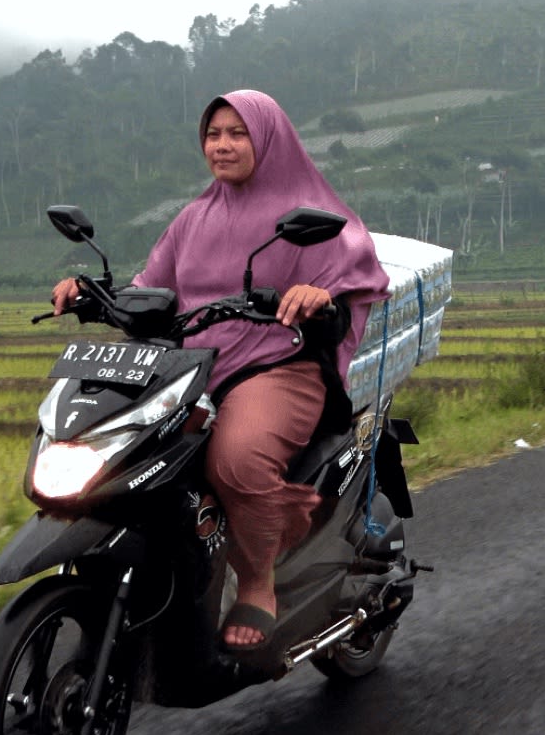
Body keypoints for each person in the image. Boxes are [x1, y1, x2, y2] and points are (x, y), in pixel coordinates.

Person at [51, 90, 388, 650]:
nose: (223, 145)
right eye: (213, 134)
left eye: (238, 133)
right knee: (130, 449)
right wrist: (91, 294)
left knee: (236, 459)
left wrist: (316, 293)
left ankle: (258, 583)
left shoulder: (313, 215)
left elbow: (352, 268)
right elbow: (149, 287)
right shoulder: (193, 217)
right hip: (191, 364)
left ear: (268, 139)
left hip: (280, 363)